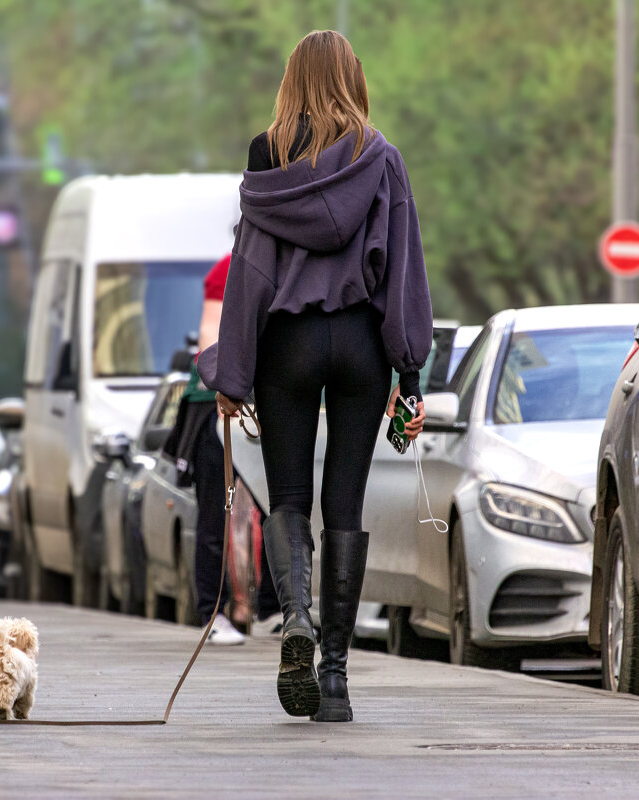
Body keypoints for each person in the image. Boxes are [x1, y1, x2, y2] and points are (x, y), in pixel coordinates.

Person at [199, 30, 431, 722]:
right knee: (346, 506)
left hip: (288, 347)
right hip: (361, 344)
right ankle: (334, 679)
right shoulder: (379, 156)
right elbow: (402, 267)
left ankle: (295, 619)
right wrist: (410, 374)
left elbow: (249, 269)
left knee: (291, 498)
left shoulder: (265, 155)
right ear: (351, 78)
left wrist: (231, 372)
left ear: (292, 81)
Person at [179, 254, 282, 645]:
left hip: (266, 400)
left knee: (278, 504)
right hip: (219, 399)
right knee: (215, 513)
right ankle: (212, 613)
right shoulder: (228, 268)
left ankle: (273, 610)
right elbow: (210, 340)